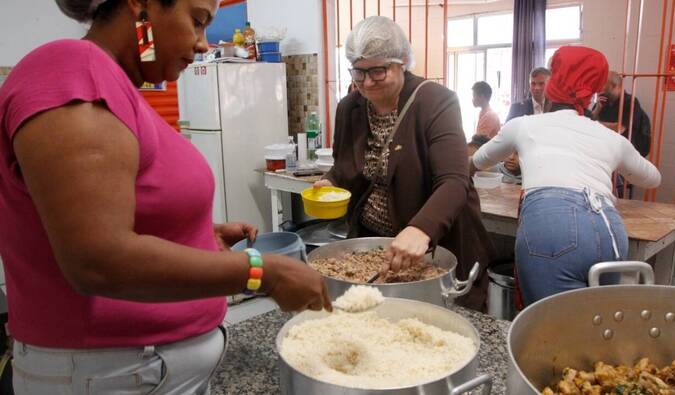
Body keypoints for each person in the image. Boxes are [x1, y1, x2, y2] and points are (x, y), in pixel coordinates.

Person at [0, 1, 330, 394]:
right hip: (112, 375)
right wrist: (261, 273)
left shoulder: (114, 83)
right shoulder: (76, 73)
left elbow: (115, 213)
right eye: (197, 21)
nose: (204, 44)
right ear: (140, 6)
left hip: (141, 372)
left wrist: (194, 234)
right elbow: (97, 261)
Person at [314, 16, 494, 309]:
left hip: (432, 247)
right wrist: (331, 181)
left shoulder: (435, 102)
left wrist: (421, 229)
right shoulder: (349, 108)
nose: (367, 82)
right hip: (374, 246)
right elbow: (346, 166)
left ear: (402, 63)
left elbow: (454, 181)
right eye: (358, 72)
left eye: (378, 71)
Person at [471, 46, 661, 306]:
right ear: (591, 92)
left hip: (553, 229)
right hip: (609, 231)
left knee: (551, 331)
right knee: (599, 327)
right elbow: (653, 178)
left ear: (551, 88)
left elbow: (479, 160)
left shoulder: (523, 125)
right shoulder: (610, 138)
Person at [592, 71, 652, 158]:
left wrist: (596, 124)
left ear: (616, 87)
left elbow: (619, 128)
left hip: (629, 154)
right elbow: (590, 120)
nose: (600, 90)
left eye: (604, 87)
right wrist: (597, 109)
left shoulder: (630, 102)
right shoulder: (604, 100)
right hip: (608, 150)